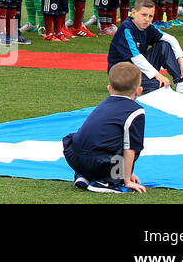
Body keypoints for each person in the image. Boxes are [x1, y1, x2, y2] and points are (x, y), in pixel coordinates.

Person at [62, 61, 147, 193]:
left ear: (109, 88)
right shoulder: (136, 111)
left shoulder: (105, 104)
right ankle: (107, 181)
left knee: (94, 140)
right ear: (139, 90)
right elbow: (131, 148)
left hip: (73, 156)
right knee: (130, 143)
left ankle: (84, 175)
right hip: (99, 162)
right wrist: (126, 178)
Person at [107, 0, 183, 95]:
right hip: (122, 73)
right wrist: (158, 75)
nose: (147, 19)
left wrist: (181, 63)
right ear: (133, 12)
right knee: (162, 86)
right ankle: (151, 85)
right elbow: (136, 58)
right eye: (144, 15)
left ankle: (182, 82)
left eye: (150, 16)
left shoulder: (148, 28)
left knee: (164, 45)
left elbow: (171, 39)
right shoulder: (127, 29)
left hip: (137, 69)